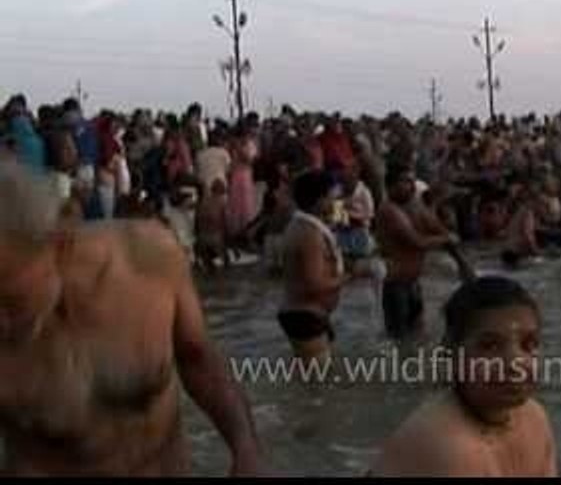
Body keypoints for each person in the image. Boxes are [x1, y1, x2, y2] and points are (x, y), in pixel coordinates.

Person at [0, 160, 262, 475]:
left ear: (60, 243)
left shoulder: (148, 262)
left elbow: (200, 361)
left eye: (8, 300)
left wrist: (247, 452)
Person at [370, 276, 557, 477]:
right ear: (452, 354)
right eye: (490, 346)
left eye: (528, 344)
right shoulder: (451, 445)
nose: (516, 363)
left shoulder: (535, 417)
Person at [375, 165, 463, 342]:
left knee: (418, 340)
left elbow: (438, 229)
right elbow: (417, 242)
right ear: (391, 185)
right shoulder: (389, 210)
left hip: (414, 285)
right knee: (399, 342)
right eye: (406, 181)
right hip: (396, 286)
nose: (412, 186)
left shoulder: (414, 206)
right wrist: (446, 239)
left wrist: (462, 263)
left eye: (412, 181)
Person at [277, 170, 345, 361]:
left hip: (308, 314)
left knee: (312, 383)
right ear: (320, 199)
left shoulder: (304, 225)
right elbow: (314, 286)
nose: (337, 202)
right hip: (305, 316)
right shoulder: (309, 234)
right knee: (318, 384)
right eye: (334, 197)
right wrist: (354, 274)